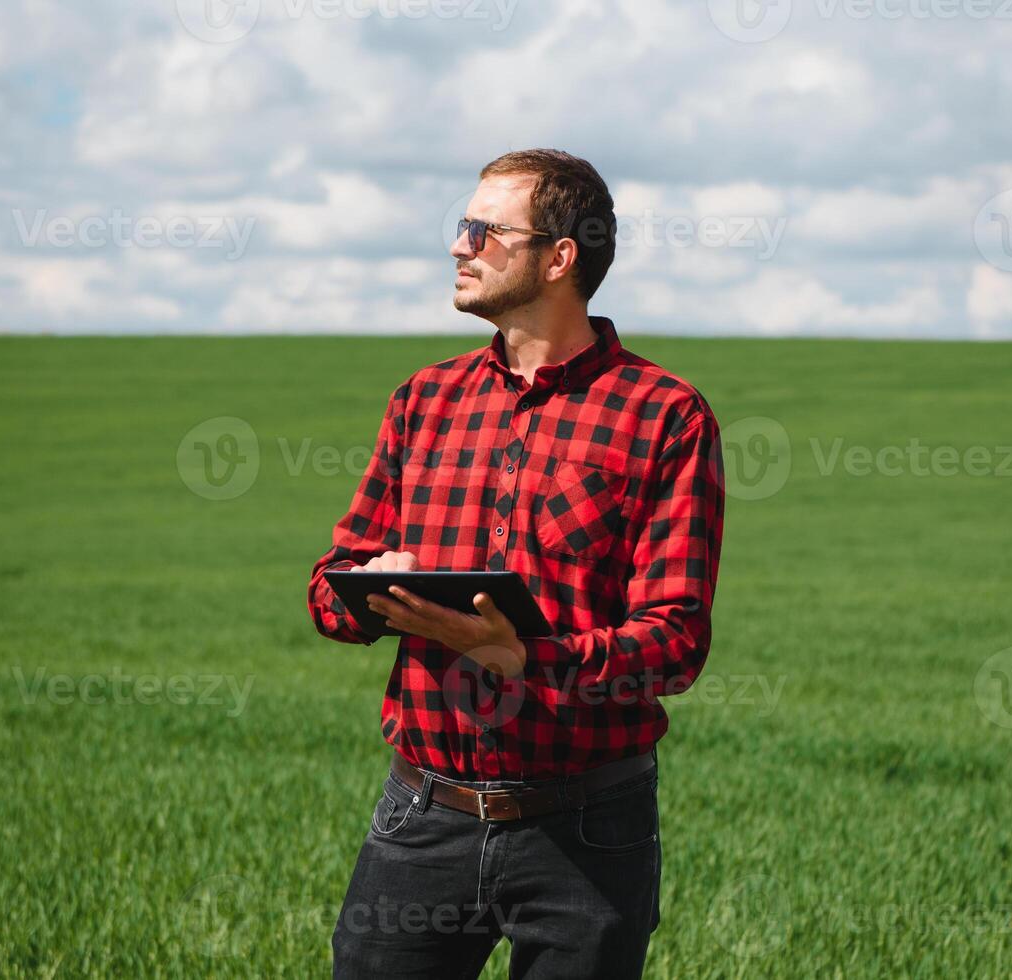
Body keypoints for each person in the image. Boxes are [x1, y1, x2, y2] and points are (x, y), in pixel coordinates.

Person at [307, 148, 725, 979]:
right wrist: (371, 590)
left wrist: (526, 657)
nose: (460, 247)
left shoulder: (663, 415)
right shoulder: (423, 401)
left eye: (482, 230)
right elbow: (328, 588)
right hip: (421, 815)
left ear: (559, 256)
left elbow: (675, 640)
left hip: (589, 828)